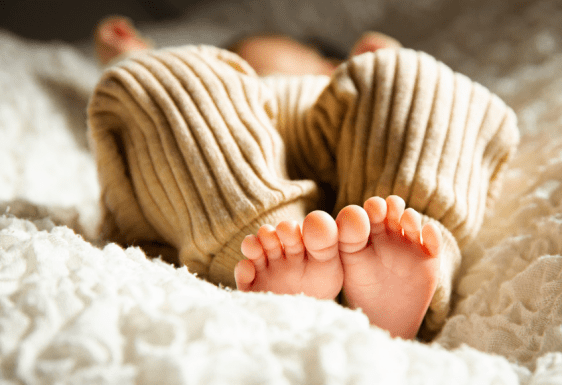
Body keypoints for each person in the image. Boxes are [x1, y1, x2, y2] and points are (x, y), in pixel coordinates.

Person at [88, 16, 519, 340]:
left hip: (349, 147)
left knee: (416, 83)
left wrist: (384, 62)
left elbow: (399, 107)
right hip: (224, 159)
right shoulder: (218, 83)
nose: (239, 68)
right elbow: (176, 90)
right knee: (165, 83)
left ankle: (401, 247)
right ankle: (268, 244)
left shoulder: (343, 85)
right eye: (232, 62)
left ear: (331, 64)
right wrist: (139, 58)